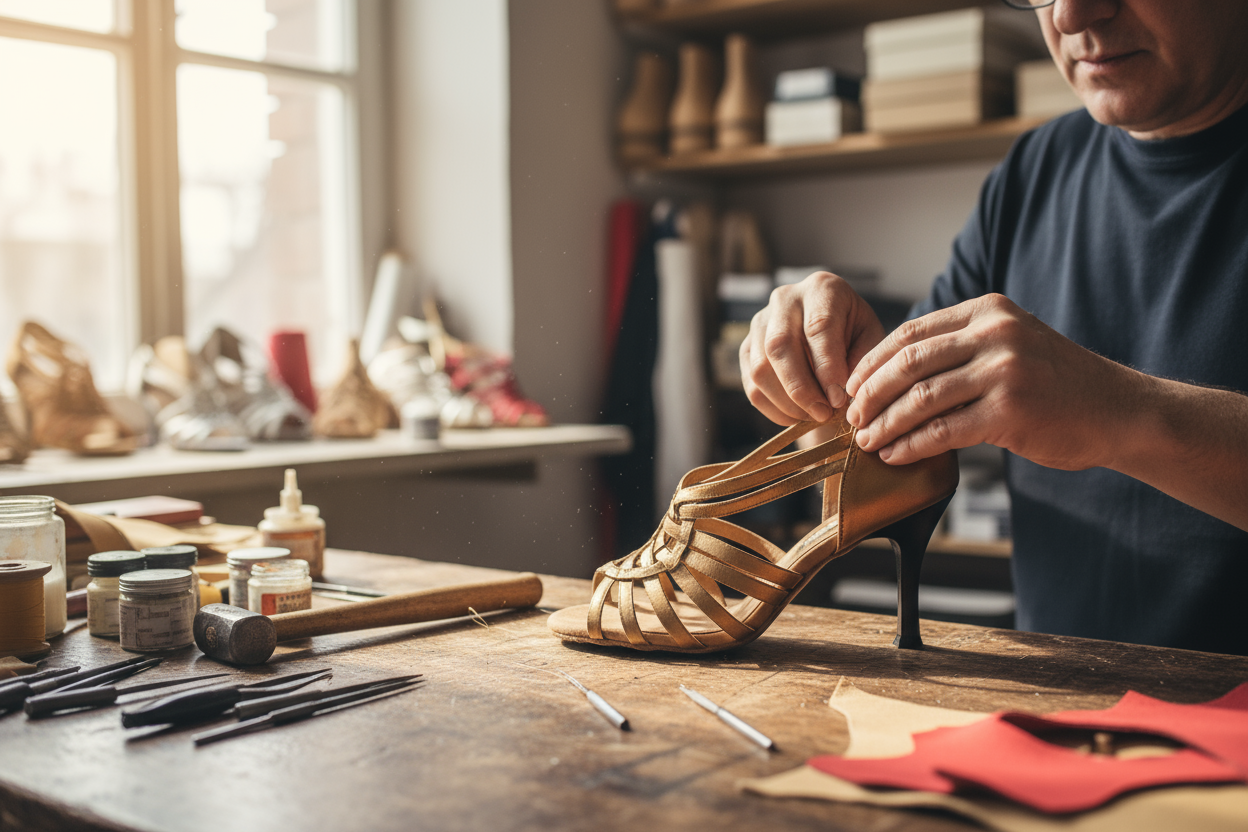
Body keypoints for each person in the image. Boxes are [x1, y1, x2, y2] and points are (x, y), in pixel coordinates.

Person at [739, 0, 1248, 654]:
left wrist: (1117, 411)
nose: (1069, 16)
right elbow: (923, 404)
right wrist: (837, 350)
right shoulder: (1036, 169)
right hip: (1056, 714)